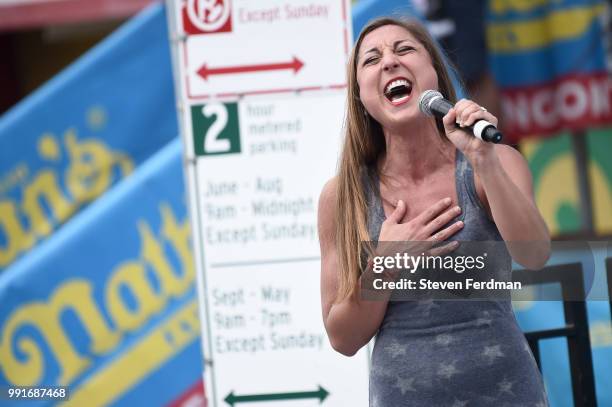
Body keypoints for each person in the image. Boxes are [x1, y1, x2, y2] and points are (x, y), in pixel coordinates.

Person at [318, 17, 551, 406]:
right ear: (361, 97)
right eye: (371, 59)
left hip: (506, 390)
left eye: (405, 49)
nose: (390, 62)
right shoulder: (342, 197)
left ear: (435, 75)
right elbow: (343, 338)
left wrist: (484, 160)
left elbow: (534, 253)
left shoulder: (493, 162)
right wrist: (384, 265)